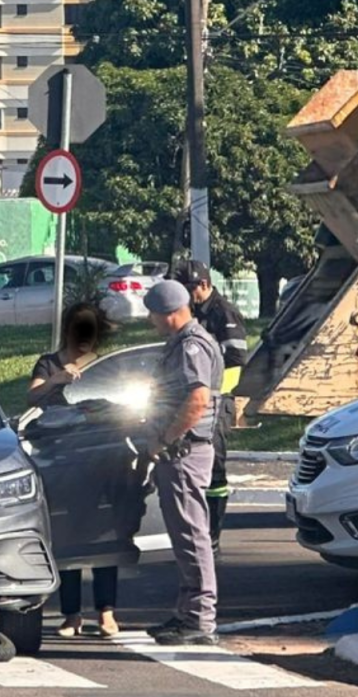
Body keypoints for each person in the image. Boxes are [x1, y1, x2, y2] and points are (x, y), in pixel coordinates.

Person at [27, 302, 119, 638]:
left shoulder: (103, 366)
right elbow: (32, 397)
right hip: (63, 459)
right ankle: (71, 614)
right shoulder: (49, 363)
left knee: (106, 534)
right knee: (68, 534)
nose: (84, 339)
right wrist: (57, 380)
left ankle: (107, 611)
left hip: (103, 456)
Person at [142, 280, 224, 646]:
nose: (150, 320)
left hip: (185, 451)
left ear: (171, 313)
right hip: (182, 451)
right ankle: (187, 613)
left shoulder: (191, 345)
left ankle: (200, 619)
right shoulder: (183, 342)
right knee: (185, 535)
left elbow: (197, 399)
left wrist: (164, 438)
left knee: (192, 536)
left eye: (154, 314)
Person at [172, 261, 248, 556]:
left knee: (214, 470)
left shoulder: (223, 312)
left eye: (187, 290)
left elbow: (237, 358)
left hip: (217, 400)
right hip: (195, 398)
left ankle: (213, 538)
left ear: (203, 285)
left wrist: (212, 388)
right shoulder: (193, 313)